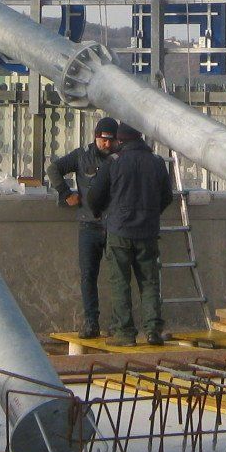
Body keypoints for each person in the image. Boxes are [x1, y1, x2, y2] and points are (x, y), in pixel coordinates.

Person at [86, 122, 175, 345]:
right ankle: (153, 330)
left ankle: (124, 333)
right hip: (147, 231)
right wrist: (152, 214)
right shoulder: (156, 162)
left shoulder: (113, 162)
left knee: (120, 282)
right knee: (149, 281)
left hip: (119, 231)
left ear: (121, 139)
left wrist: (101, 213)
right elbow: (167, 196)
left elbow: (95, 195)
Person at [49, 117, 120, 338]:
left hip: (115, 225)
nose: (106, 145)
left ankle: (119, 323)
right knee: (88, 275)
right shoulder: (82, 156)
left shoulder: (120, 159)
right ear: (95, 137)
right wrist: (65, 193)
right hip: (89, 225)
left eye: (111, 141)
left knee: (118, 275)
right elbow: (54, 169)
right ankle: (91, 322)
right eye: (103, 140)